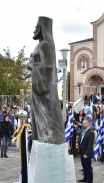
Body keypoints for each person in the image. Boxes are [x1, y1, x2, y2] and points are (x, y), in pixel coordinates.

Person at [26, 16, 65, 144]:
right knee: (37, 113)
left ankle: (50, 136)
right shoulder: (40, 45)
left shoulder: (45, 45)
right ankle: (41, 135)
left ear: (42, 29)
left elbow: (47, 65)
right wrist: (29, 72)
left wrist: (32, 66)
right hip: (38, 87)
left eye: (37, 28)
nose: (34, 31)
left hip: (44, 89)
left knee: (47, 115)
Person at [76, 116, 95, 183]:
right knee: (84, 166)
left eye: (84, 123)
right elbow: (81, 138)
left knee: (88, 167)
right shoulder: (83, 131)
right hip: (82, 151)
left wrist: (87, 153)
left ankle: (90, 181)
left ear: (89, 124)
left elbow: (90, 145)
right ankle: (85, 178)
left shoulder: (91, 133)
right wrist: (78, 143)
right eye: (83, 123)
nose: (83, 124)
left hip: (87, 153)